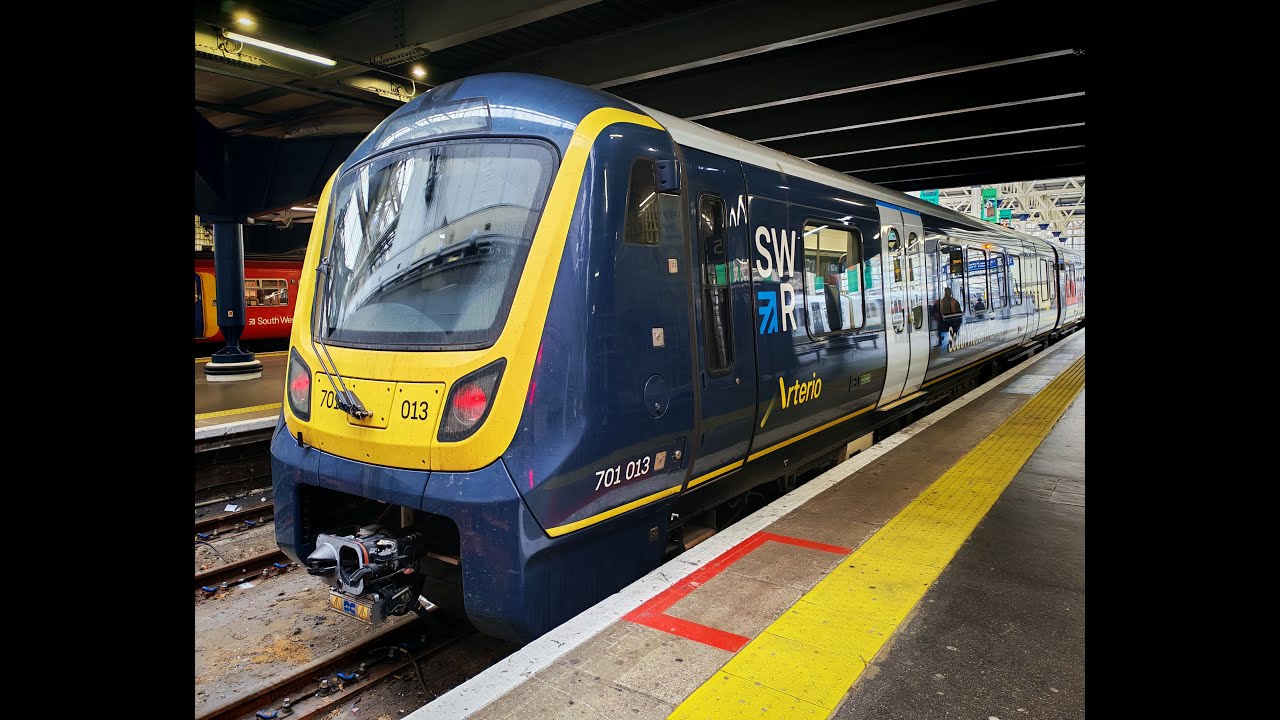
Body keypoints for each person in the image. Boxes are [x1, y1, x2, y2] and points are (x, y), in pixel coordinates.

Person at [935, 287, 963, 351]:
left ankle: (946, 341)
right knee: (953, 327)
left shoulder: (945, 302)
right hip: (949, 321)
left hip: (948, 321)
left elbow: (958, 313)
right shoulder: (952, 301)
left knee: (950, 327)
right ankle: (949, 341)